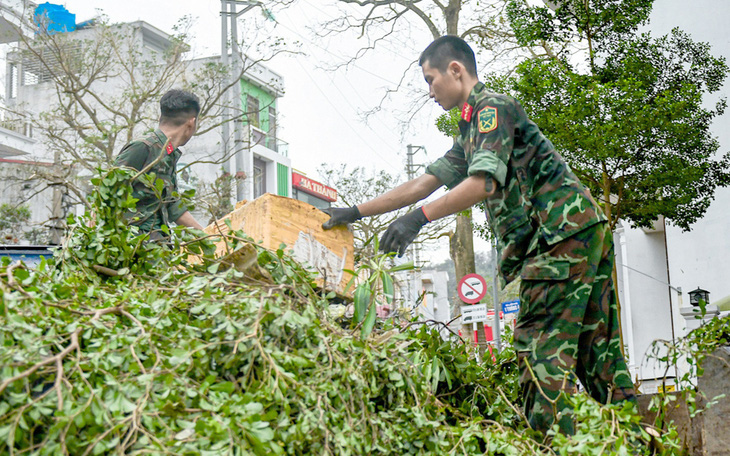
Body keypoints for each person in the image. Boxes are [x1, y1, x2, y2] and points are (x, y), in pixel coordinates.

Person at [322, 36, 635, 435]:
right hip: (577, 231)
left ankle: (553, 444)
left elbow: (483, 183)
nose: (429, 90)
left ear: (456, 70)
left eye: (430, 79)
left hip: (559, 234)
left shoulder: (492, 110)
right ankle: (640, 441)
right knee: (597, 356)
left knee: (539, 348)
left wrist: (417, 220)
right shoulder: (471, 130)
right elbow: (424, 184)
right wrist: (354, 211)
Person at [114, 89, 204, 237]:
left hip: (157, 247)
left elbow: (173, 206)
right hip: (134, 246)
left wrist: (208, 236)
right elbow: (108, 190)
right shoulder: (143, 147)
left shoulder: (168, 154)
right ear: (191, 122)